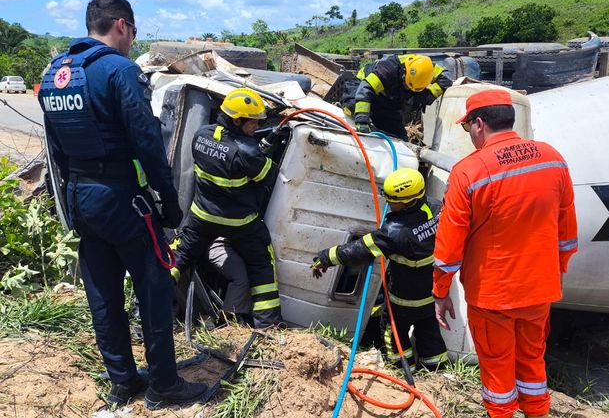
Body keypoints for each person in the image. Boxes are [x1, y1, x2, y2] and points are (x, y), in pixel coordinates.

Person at [38, 0, 206, 409]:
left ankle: (122, 379)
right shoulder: (119, 70)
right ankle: (164, 385)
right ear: (121, 25)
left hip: (81, 199)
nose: (132, 41)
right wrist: (169, 201)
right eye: (133, 32)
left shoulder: (57, 72)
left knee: (103, 294)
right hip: (120, 199)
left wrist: (71, 197)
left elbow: (55, 147)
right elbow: (147, 142)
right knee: (154, 288)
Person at [431, 89, 578, 418]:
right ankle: (537, 412)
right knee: (533, 364)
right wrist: (555, 272)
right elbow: (567, 229)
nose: (469, 133)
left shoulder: (469, 171)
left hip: (493, 295)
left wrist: (441, 290)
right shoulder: (552, 158)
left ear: (479, 124)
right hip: (539, 290)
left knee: (497, 371)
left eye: (467, 126)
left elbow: (449, 245)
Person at [313, 168, 448, 372]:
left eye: (392, 200)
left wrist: (325, 258)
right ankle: (436, 373)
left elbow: (359, 249)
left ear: (408, 201)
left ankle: (403, 372)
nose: (388, 204)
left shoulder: (395, 232)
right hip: (432, 294)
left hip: (403, 301)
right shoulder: (438, 209)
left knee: (393, 334)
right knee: (429, 333)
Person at [172, 87, 283, 328]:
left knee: (179, 258)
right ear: (237, 120)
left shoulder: (201, 135)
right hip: (239, 223)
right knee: (262, 266)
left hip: (201, 217)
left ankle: (150, 309)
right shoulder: (247, 152)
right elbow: (269, 176)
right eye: (253, 122)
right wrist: (261, 152)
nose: (256, 127)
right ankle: (267, 326)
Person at [342, 53, 453, 140]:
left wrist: (426, 96)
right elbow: (365, 90)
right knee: (352, 106)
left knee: (400, 137)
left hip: (388, 100)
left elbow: (446, 79)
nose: (408, 89)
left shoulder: (427, 68)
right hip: (362, 86)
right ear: (405, 71)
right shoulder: (387, 69)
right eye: (407, 85)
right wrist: (362, 120)